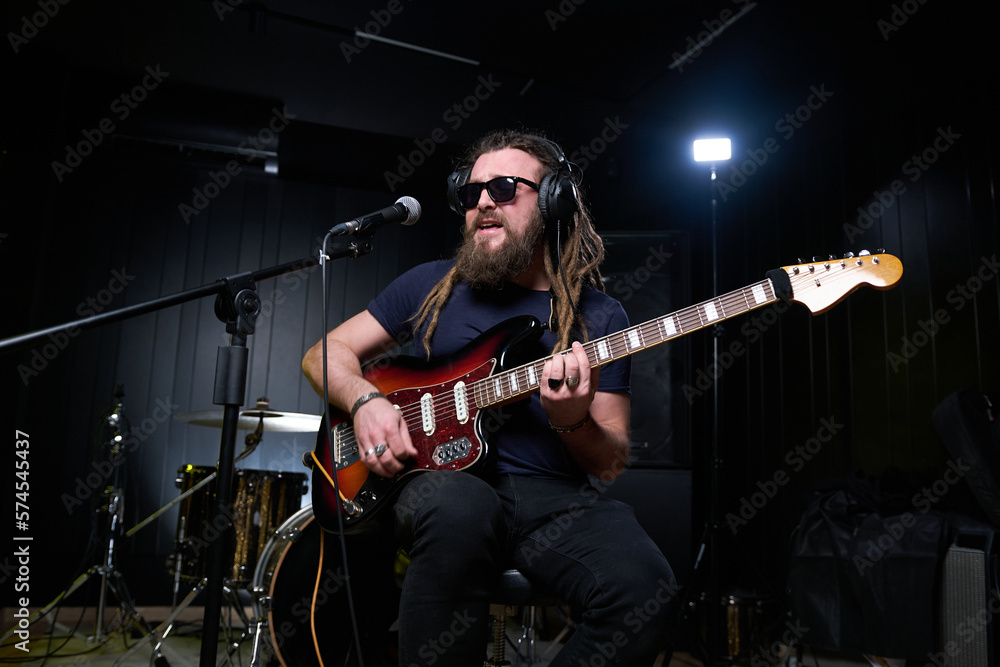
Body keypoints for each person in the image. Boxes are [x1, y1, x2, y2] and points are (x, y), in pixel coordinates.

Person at [302, 129, 675, 666]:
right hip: (443, 484)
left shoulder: (600, 316)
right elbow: (324, 353)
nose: (481, 202)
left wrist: (571, 421)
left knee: (646, 585)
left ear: (552, 202)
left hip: (552, 502)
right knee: (462, 507)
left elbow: (611, 461)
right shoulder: (433, 285)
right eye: (471, 192)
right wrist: (365, 401)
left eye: (503, 188)